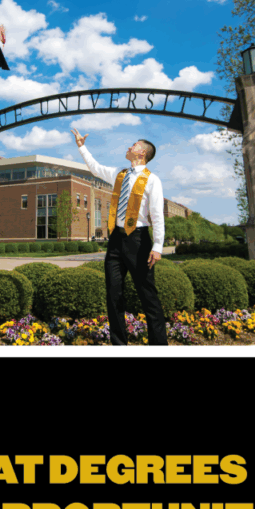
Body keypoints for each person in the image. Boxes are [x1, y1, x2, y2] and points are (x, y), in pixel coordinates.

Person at [71, 129, 168, 346]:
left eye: (133, 145)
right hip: (116, 241)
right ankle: (119, 345)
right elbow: (95, 169)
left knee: (148, 296)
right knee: (113, 293)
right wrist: (81, 147)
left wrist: (158, 246)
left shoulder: (153, 180)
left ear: (142, 152)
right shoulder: (119, 174)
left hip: (139, 241)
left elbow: (157, 214)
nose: (128, 147)